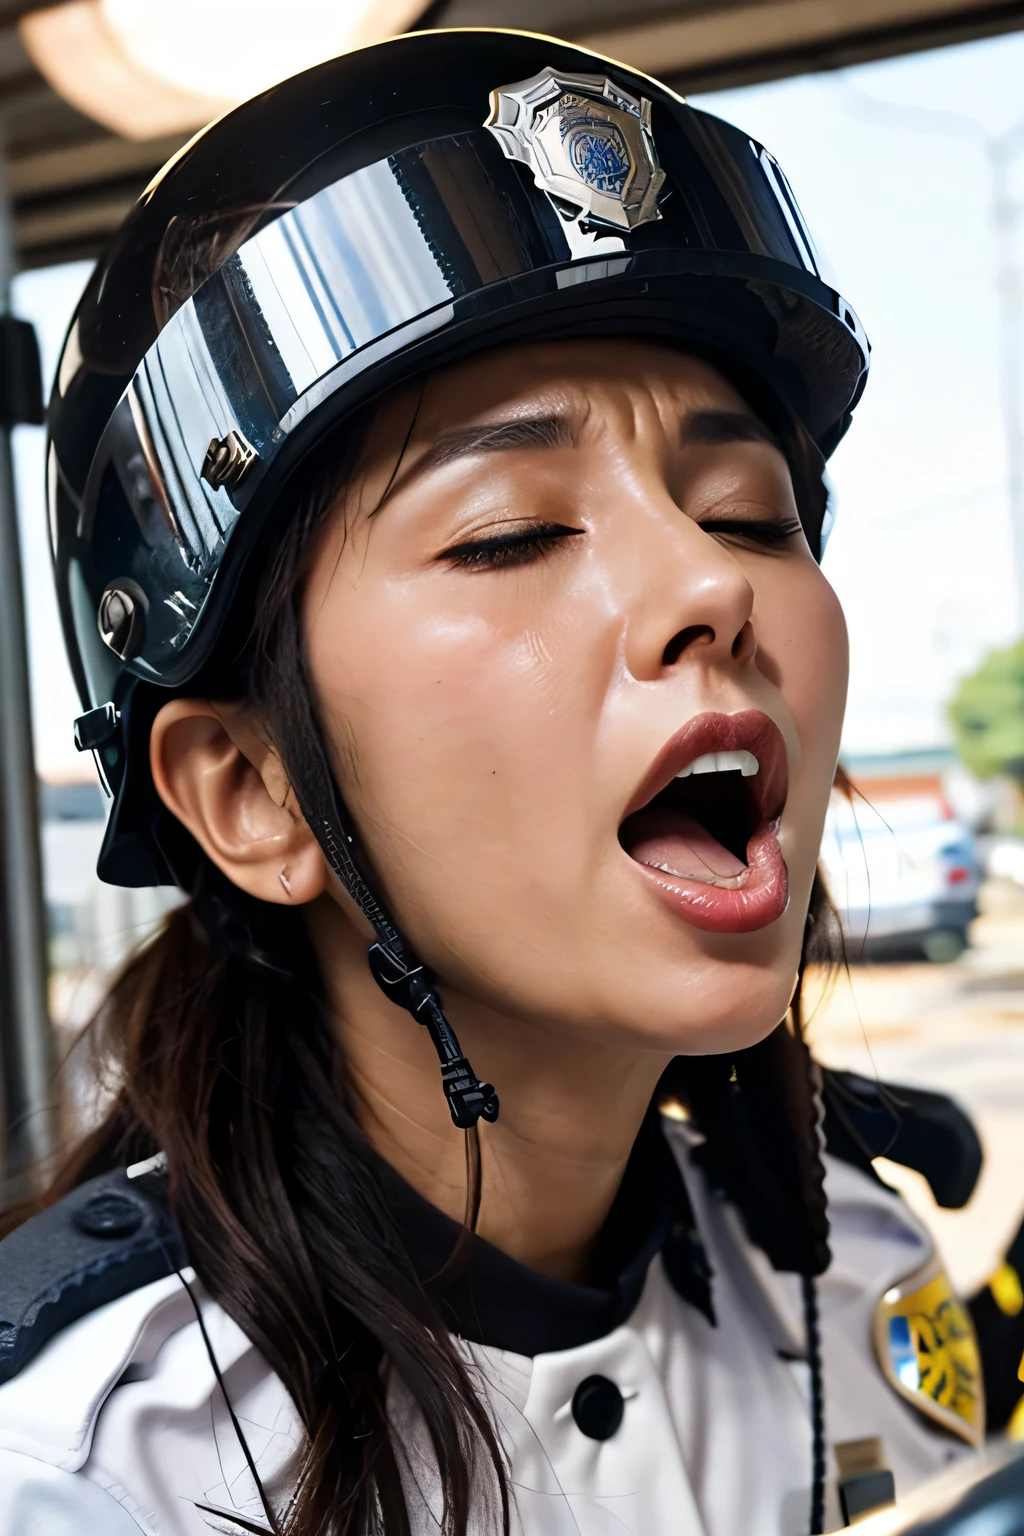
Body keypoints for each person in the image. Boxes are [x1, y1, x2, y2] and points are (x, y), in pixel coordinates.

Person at [0, 27, 990, 1536]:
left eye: (751, 511)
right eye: (509, 535)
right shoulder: (86, 1468)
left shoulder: (856, 1273)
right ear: (250, 790)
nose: (707, 584)